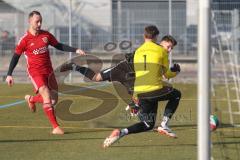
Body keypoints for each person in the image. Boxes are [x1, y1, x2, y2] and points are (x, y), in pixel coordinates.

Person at [5, 10, 86, 135]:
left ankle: (32, 99)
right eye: (37, 21)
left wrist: (75, 50)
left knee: (53, 101)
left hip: (48, 71)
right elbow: (15, 57)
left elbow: (58, 45)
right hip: (35, 72)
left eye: (40, 21)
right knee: (46, 94)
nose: (39, 24)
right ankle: (56, 127)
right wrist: (9, 74)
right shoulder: (24, 40)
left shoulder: (46, 36)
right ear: (29, 21)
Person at [102, 25, 181, 148]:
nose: (169, 49)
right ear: (158, 39)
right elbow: (167, 74)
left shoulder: (138, 51)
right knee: (176, 95)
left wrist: (134, 95)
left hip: (140, 92)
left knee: (148, 124)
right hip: (154, 90)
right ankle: (164, 124)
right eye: (169, 46)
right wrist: (176, 71)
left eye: (171, 48)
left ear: (144, 36)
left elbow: (143, 73)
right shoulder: (161, 51)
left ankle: (121, 133)